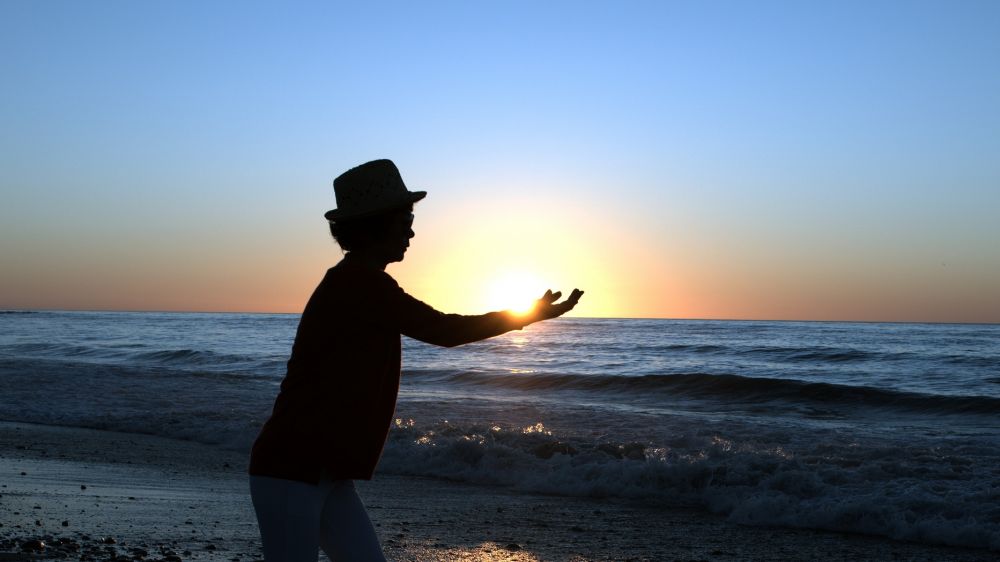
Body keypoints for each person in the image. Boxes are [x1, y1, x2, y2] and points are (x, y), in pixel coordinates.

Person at [248, 159, 583, 561]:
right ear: (376, 225)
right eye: (405, 220)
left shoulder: (358, 280)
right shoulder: (361, 284)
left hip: (324, 470)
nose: (411, 232)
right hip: (293, 466)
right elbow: (445, 330)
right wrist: (526, 315)